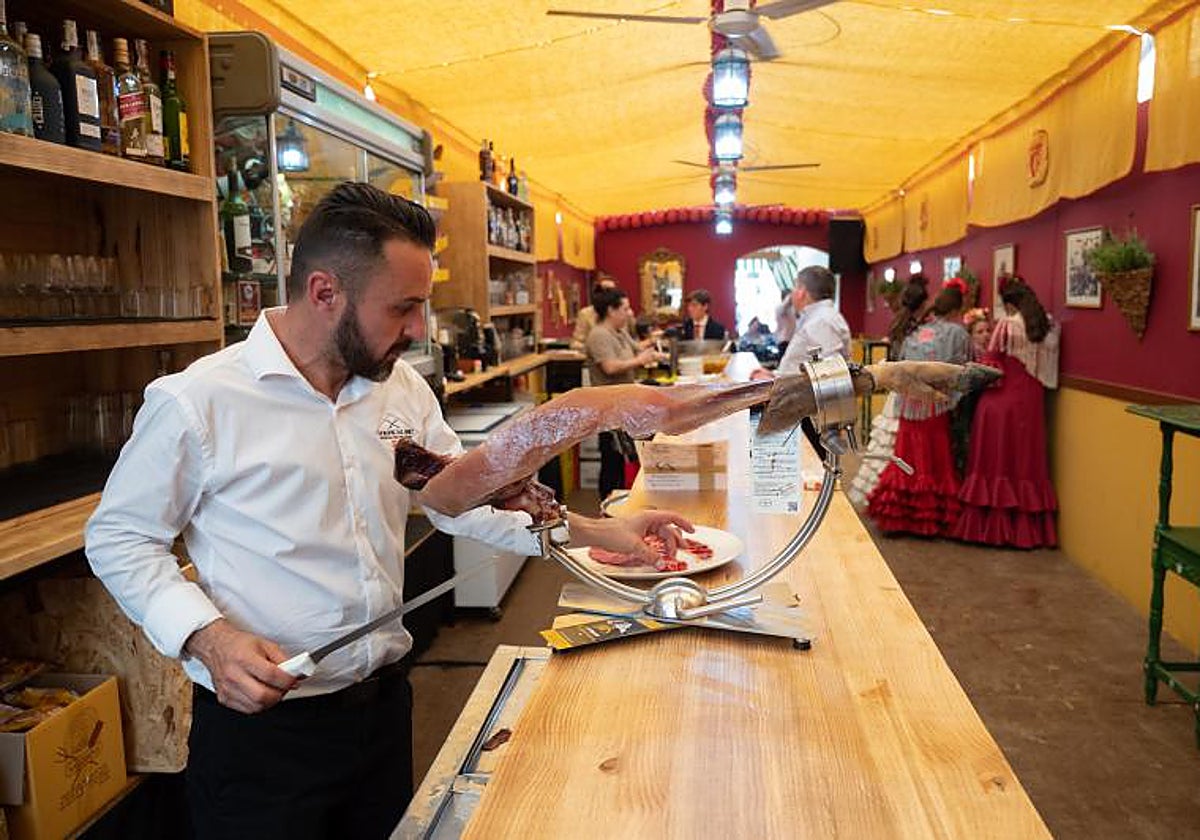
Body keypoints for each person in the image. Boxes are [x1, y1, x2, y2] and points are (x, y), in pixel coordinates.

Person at [85, 183, 691, 839]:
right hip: (264, 740)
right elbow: (120, 538)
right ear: (324, 293)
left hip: (381, 711)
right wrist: (206, 635)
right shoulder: (198, 402)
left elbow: (452, 498)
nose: (418, 331)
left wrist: (603, 530)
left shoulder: (396, 390)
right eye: (403, 309)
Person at [953, 276, 1060, 549]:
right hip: (1033, 402)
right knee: (1026, 462)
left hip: (1000, 403)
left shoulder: (1007, 326)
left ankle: (994, 529)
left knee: (997, 461)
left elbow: (991, 364)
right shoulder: (1048, 326)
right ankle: (1028, 531)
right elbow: (1048, 374)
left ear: (1010, 304)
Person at [866, 280, 970, 537]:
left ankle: (901, 519)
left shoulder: (909, 332)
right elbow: (962, 371)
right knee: (934, 461)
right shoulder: (955, 333)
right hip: (934, 407)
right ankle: (930, 521)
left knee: (906, 459)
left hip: (907, 407)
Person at [847, 275, 930, 507]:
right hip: (908, 387)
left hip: (896, 388)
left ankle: (879, 494)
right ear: (922, 304)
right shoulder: (918, 329)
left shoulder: (898, 324)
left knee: (888, 443)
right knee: (900, 445)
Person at [585, 287, 666, 500]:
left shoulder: (619, 332)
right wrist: (640, 361)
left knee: (625, 460)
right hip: (608, 408)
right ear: (611, 310)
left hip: (625, 406)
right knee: (612, 461)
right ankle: (608, 505)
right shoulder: (598, 335)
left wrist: (657, 353)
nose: (629, 313)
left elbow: (637, 348)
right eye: (625, 308)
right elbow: (610, 367)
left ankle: (623, 501)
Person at [763, 266, 851, 459]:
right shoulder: (819, 317)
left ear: (802, 291)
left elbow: (831, 373)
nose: (793, 293)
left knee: (815, 465)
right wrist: (777, 375)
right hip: (803, 404)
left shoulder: (822, 321)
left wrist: (833, 425)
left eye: (795, 287)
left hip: (812, 411)